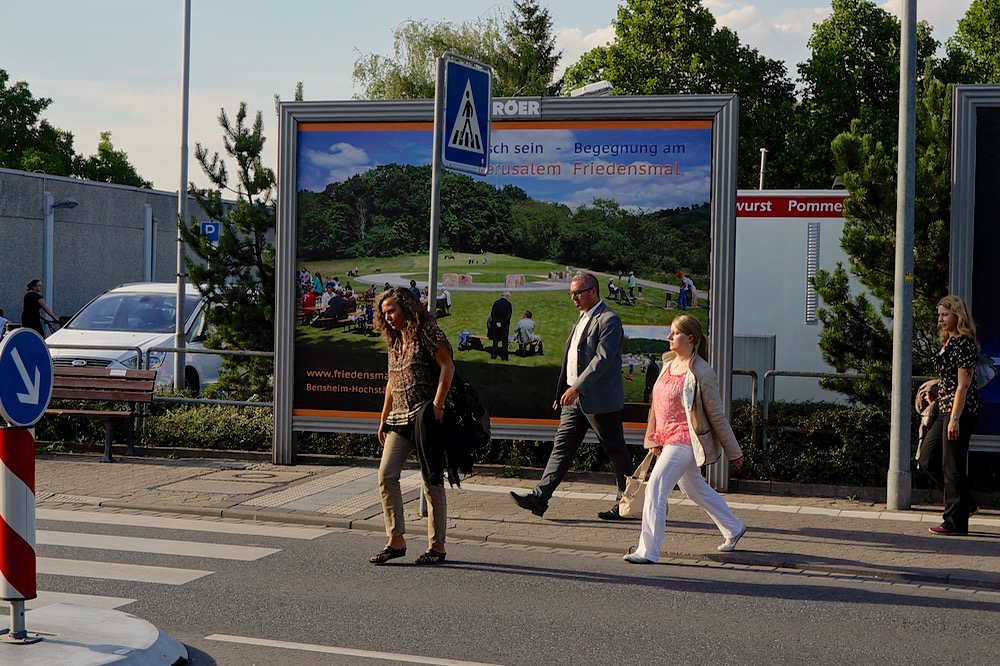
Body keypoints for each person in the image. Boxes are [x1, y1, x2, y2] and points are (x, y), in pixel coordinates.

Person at [510, 273, 635, 519]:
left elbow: (602, 360)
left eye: (577, 292)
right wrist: (563, 392)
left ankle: (628, 504)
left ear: (594, 291)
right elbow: (571, 358)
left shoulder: (609, 320)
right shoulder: (580, 319)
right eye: (571, 293)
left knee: (616, 452)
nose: (573, 298)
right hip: (574, 401)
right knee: (561, 449)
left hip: (600, 401)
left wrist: (576, 387)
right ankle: (539, 498)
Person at [624, 314, 747, 564]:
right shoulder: (668, 363)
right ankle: (733, 527)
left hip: (686, 439)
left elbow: (717, 416)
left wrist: (735, 453)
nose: (669, 337)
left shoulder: (702, 370)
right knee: (694, 490)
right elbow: (656, 406)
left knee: (656, 486)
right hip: (667, 438)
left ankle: (647, 551)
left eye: (675, 333)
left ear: (690, 338)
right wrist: (654, 438)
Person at [370, 287, 455, 565]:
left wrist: (438, 405)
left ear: (407, 307)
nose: (388, 317)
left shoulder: (427, 330)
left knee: (431, 480)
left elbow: (447, 366)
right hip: (399, 419)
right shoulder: (394, 339)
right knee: (386, 474)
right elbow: (392, 382)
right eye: (384, 313)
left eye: (392, 310)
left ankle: (437, 546)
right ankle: (396, 540)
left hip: (425, 416)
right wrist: (383, 419)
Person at [922, 295, 981, 536]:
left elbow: (963, 385)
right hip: (944, 407)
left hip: (959, 409)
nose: (941, 319)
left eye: (945, 314)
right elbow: (949, 379)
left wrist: (955, 418)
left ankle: (955, 522)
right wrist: (935, 391)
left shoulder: (964, 343)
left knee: (952, 466)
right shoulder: (948, 342)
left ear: (958, 315)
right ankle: (965, 503)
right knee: (927, 459)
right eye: (939, 315)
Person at [488, 290, 513, 361]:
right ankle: (504, 357)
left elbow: (493, 314)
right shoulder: (508, 304)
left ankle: (493, 355)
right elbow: (508, 316)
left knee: (495, 341)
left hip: (495, 325)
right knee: (504, 341)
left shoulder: (496, 303)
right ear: (507, 296)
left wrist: (496, 322)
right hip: (504, 326)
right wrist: (502, 323)